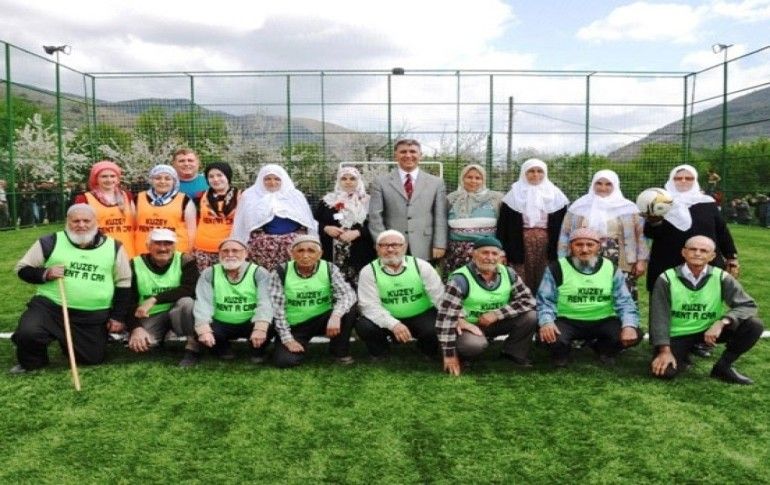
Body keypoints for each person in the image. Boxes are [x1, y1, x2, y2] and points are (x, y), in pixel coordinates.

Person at [9, 204, 131, 373]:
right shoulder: (50, 242)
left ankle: (69, 342)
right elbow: (22, 269)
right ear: (68, 222)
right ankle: (33, 361)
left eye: (86, 221)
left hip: (92, 314)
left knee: (92, 359)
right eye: (76, 221)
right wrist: (45, 273)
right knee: (29, 332)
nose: (81, 225)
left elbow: (124, 282)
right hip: (51, 307)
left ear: (96, 222)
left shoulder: (114, 246)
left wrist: (117, 316)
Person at [649, 236, 763, 384]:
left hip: (709, 331)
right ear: (684, 252)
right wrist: (664, 350)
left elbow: (747, 305)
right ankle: (685, 352)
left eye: (703, 251)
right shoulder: (666, 278)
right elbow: (659, 317)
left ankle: (723, 367)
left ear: (712, 256)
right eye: (693, 249)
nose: (697, 253)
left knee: (754, 325)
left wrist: (722, 322)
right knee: (664, 372)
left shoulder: (722, 277)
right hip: (678, 334)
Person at [537, 228, 642, 368]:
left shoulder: (611, 268)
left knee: (635, 333)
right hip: (567, 320)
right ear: (570, 247)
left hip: (603, 320)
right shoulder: (556, 268)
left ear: (598, 247)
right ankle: (562, 354)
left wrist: (629, 325)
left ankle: (603, 349)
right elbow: (545, 300)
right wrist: (547, 322)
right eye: (579, 245)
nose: (584, 249)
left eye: (590, 245)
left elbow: (625, 302)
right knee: (550, 337)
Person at [437, 236, 538, 376]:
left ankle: (513, 353)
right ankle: (463, 356)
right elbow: (445, 318)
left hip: (496, 321)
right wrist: (449, 355)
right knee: (473, 345)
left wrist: (497, 314)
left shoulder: (509, 273)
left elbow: (528, 300)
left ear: (500, 257)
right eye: (485, 253)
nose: (489, 257)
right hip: (470, 325)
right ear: (473, 255)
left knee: (531, 316)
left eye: (494, 253)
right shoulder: (460, 279)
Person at [644, 164, 739, 294]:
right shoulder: (659, 202)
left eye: (689, 178)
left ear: (695, 180)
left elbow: (722, 231)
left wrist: (731, 256)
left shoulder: (707, 203)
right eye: (678, 178)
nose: (683, 181)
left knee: (704, 301)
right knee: (665, 300)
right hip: (667, 262)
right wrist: (654, 221)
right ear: (671, 180)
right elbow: (650, 233)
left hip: (704, 262)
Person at [558, 169, 647, 300]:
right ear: (593, 184)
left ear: (615, 185)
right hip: (585, 255)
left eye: (608, 184)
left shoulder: (629, 208)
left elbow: (641, 236)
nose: (603, 188)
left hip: (619, 258)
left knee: (620, 293)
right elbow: (564, 235)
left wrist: (641, 261)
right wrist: (562, 260)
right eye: (599, 183)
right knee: (589, 292)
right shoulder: (578, 207)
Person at [270, 235, 357, 368]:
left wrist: (336, 316)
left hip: (323, 320)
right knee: (285, 361)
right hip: (295, 325)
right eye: (300, 251)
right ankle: (293, 345)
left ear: (320, 254)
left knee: (349, 308)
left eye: (311, 251)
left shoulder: (329, 268)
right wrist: (288, 340)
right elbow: (277, 310)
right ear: (292, 253)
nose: (305, 255)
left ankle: (339, 351)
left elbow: (348, 294)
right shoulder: (281, 271)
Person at [356, 230, 444, 360]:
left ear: (404, 247)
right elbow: (369, 306)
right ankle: (380, 351)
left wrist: (455, 318)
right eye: (384, 245)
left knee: (436, 325)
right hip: (387, 316)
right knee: (364, 326)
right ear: (377, 248)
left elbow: (439, 296)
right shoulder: (368, 271)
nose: (390, 249)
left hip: (421, 315)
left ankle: (427, 350)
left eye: (395, 245)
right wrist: (394, 324)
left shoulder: (421, 265)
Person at [126, 228, 200, 367]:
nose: (163, 248)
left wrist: (154, 299)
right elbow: (128, 300)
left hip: (178, 311)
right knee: (143, 346)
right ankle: (158, 339)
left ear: (175, 246)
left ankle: (192, 347)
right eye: (158, 243)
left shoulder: (185, 260)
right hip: (151, 315)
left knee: (188, 302)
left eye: (168, 243)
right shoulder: (134, 264)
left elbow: (189, 289)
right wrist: (135, 328)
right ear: (148, 246)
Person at [194, 238, 274, 363]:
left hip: (250, 322)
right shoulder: (209, 273)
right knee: (198, 321)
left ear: (245, 253)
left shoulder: (259, 273)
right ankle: (222, 348)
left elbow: (265, 302)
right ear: (219, 254)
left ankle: (257, 350)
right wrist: (203, 330)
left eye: (235, 250)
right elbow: (203, 303)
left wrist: (261, 328)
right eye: (225, 251)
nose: (230, 254)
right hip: (220, 323)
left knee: (271, 321)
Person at [368, 138, 447, 262]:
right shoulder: (380, 182)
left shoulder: (436, 183)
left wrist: (440, 243)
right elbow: (375, 216)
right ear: (396, 155)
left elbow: (440, 216)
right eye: (403, 152)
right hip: (392, 246)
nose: (408, 155)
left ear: (420, 155)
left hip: (425, 245)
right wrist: (383, 243)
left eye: (413, 151)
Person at [497, 158, 569, 292]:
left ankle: (544, 302)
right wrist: (501, 250)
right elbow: (503, 226)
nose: (535, 174)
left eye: (539, 171)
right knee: (521, 276)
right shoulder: (513, 195)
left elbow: (564, 226)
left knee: (546, 274)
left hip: (548, 243)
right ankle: (524, 302)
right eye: (531, 171)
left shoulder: (556, 196)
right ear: (524, 173)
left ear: (545, 173)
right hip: (519, 243)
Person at [231, 164, 317, 271]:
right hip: (262, 244)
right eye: (267, 179)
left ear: (283, 180)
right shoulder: (250, 196)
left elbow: (308, 221)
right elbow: (241, 223)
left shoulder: (295, 195)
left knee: (291, 271)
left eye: (277, 179)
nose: (272, 182)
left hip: (292, 241)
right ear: (261, 180)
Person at [315, 166, 376, 286]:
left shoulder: (368, 201)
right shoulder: (327, 201)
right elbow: (315, 222)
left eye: (352, 178)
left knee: (361, 283)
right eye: (344, 178)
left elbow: (376, 223)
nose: (348, 182)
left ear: (358, 181)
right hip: (332, 250)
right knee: (335, 283)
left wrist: (358, 232)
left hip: (361, 249)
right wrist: (326, 229)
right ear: (339, 181)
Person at [443, 164, 504, 274]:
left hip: (487, 252)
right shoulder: (451, 198)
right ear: (462, 178)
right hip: (456, 252)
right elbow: (442, 224)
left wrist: (501, 251)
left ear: (483, 180)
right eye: (469, 177)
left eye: (478, 178)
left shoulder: (496, 198)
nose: (473, 181)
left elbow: (504, 227)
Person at [74, 160, 137, 258]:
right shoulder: (84, 199)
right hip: (100, 252)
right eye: (104, 176)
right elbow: (77, 227)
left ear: (118, 178)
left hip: (128, 251)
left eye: (112, 176)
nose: (109, 180)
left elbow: (135, 221)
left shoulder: (127, 195)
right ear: (96, 178)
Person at [134, 164, 197, 254]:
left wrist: (189, 251)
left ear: (174, 181)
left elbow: (191, 230)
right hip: (143, 251)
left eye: (167, 179)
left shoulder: (185, 200)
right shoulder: (138, 198)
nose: (162, 181)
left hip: (175, 252)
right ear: (151, 180)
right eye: (158, 178)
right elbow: (132, 226)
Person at [192, 162, 241, 271]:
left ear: (227, 176)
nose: (215, 179)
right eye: (211, 176)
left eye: (219, 175)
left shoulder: (241, 196)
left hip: (230, 250)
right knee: (205, 280)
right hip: (202, 250)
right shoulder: (200, 196)